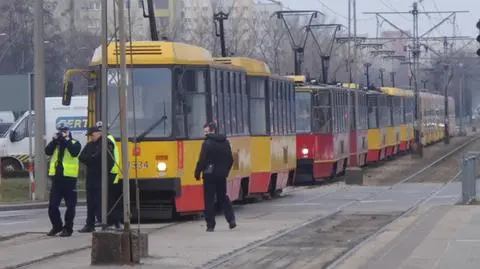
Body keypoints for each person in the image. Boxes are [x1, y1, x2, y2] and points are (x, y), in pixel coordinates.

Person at [194, 122, 236, 232]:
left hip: (209, 176)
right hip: (221, 175)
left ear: (212, 130)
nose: (205, 134)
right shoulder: (225, 142)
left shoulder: (207, 143)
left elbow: (202, 161)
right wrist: (225, 171)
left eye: (206, 132)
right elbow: (231, 160)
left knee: (209, 200)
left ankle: (210, 225)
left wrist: (197, 173)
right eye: (204, 132)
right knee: (223, 197)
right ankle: (231, 220)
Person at [45, 122, 82, 237]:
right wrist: (54, 140)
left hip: (69, 180)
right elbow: (47, 151)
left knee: (70, 206)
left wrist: (66, 139)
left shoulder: (75, 143)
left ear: (68, 131)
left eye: (64, 131)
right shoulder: (57, 144)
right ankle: (57, 226)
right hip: (57, 180)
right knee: (53, 206)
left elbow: (74, 152)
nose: (62, 133)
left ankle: (68, 229)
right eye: (60, 131)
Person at [78, 123, 115, 232]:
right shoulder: (89, 145)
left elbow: (104, 160)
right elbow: (82, 157)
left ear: (99, 133)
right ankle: (90, 224)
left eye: (92, 134)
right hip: (91, 177)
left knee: (101, 201)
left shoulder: (106, 143)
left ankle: (104, 222)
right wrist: (92, 158)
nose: (91, 137)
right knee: (90, 202)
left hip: (101, 177)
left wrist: (92, 159)